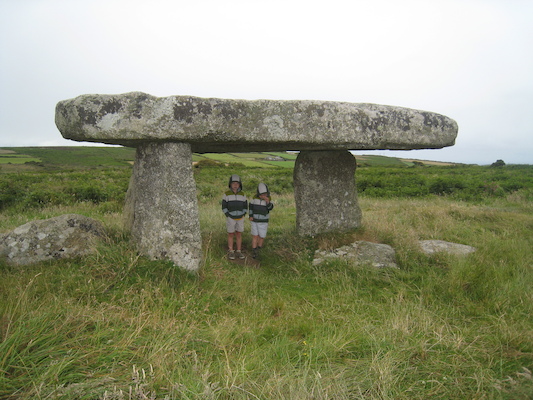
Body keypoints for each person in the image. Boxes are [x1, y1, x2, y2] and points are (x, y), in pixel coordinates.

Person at [222, 174, 247, 260]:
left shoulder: (243, 194)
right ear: (230, 184)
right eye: (233, 183)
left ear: (240, 185)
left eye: (237, 183)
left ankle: (239, 251)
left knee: (239, 234)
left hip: (240, 218)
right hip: (231, 217)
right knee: (231, 234)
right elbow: (224, 206)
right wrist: (228, 215)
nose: (235, 185)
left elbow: (245, 206)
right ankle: (231, 251)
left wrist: (243, 214)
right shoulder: (226, 194)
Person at [249, 183, 274, 259]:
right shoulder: (254, 200)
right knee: (255, 235)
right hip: (254, 221)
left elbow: (270, 208)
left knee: (262, 236)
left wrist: (267, 202)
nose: (263, 196)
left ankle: (259, 248)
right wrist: (250, 215)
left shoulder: (268, 200)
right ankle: (254, 250)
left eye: (265, 194)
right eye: (261, 194)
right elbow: (250, 208)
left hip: (263, 221)